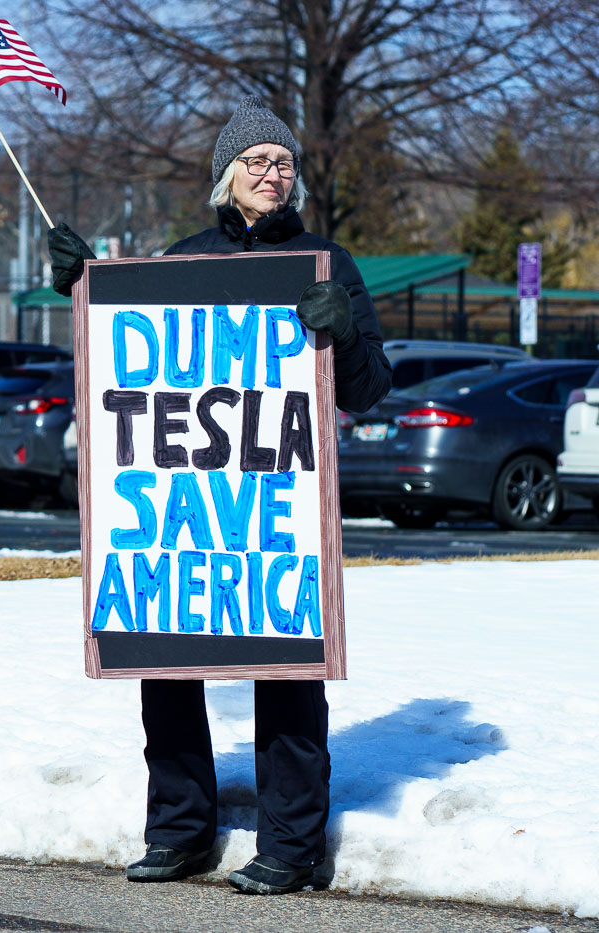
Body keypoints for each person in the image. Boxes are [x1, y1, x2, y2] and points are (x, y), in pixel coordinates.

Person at [47, 95, 392, 895]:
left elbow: (369, 389)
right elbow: (126, 352)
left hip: (277, 505)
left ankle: (292, 844)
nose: (274, 174)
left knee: (288, 676)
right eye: (257, 162)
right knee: (166, 659)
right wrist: (81, 282)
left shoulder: (324, 260)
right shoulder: (184, 258)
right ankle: (180, 832)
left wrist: (339, 329)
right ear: (225, 177)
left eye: (285, 163)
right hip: (185, 507)